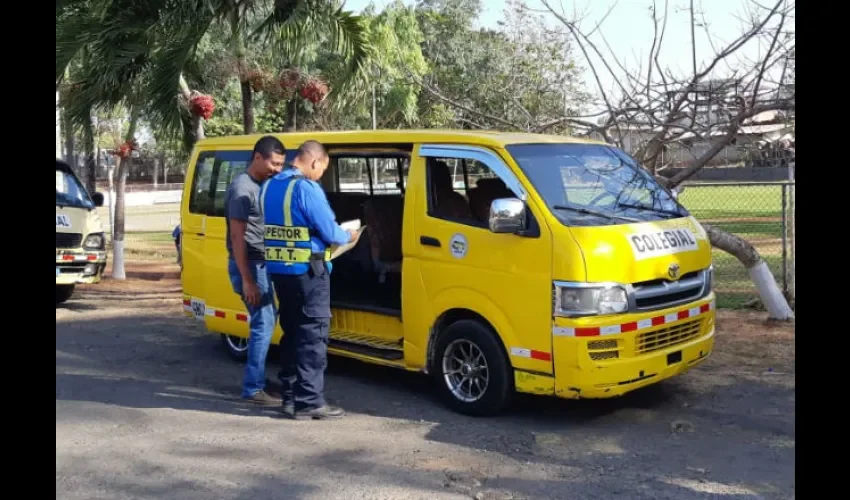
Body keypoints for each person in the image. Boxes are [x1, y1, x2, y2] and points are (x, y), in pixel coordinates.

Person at [262, 140, 356, 420]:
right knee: (312, 335)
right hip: (309, 272)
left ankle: (290, 397)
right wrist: (348, 235)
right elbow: (331, 232)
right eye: (322, 169)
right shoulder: (307, 188)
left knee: (291, 333)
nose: (320, 175)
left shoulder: (269, 186)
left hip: (280, 272)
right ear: (315, 162)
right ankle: (310, 401)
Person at [224, 135, 286, 405]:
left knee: (268, 320)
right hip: (250, 265)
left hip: (263, 263)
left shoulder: (262, 185)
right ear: (258, 157)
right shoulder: (242, 188)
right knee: (263, 322)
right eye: (274, 163)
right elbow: (237, 238)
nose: (277, 169)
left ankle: (258, 380)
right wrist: (248, 281)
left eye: (282, 164)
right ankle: (253, 388)